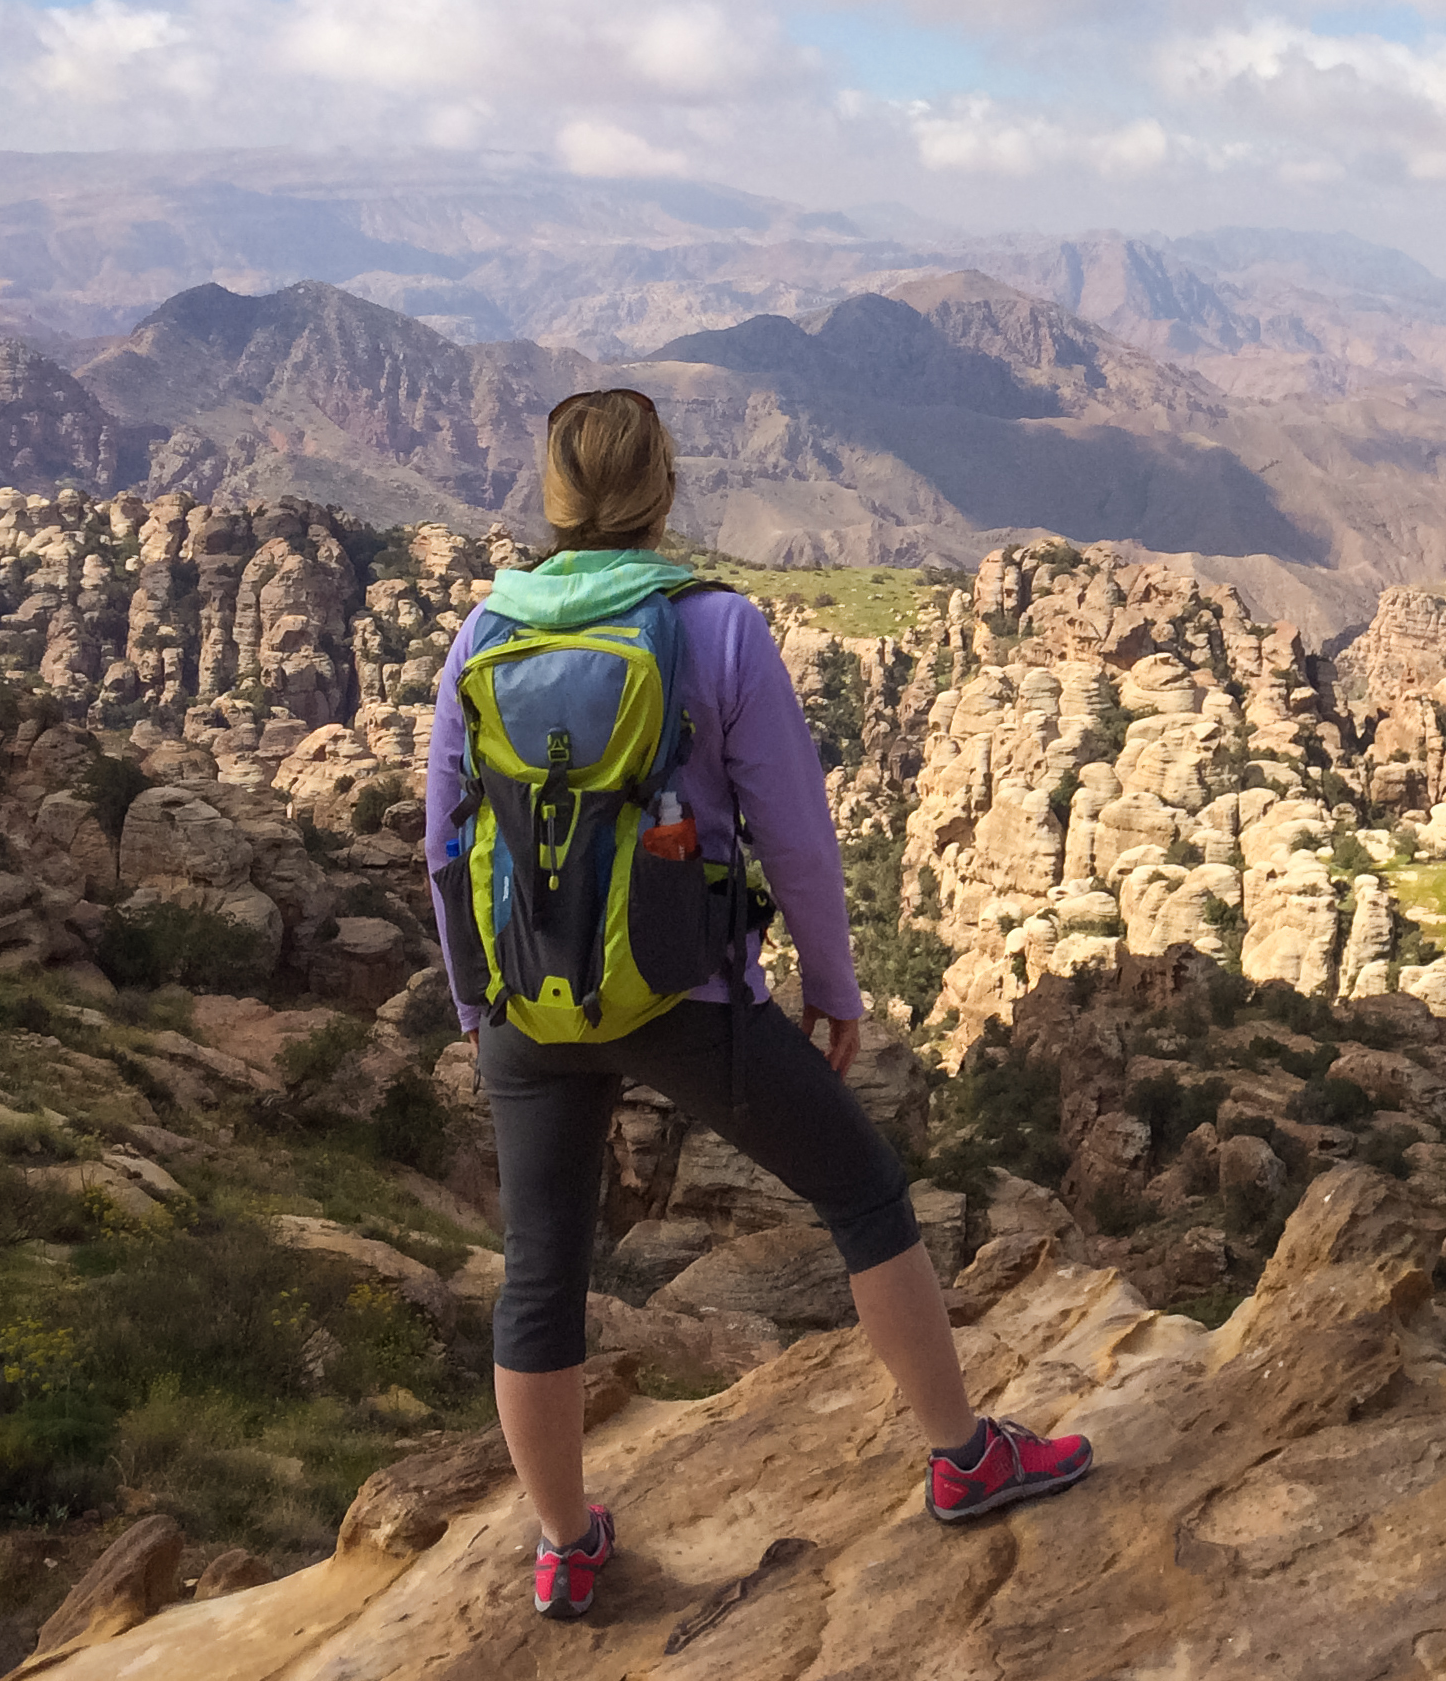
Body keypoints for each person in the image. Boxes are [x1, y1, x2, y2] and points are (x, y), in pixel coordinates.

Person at [424, 388, 1092, 1622]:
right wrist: (831, 991)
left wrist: (479, 1004)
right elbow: (797, 837)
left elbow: (444, 842)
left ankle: (566, 1545)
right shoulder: (715, 628)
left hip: (526, 999)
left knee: (540, 1270)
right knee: (865, 1192)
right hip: (682, 989)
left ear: (555, 495)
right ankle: (962, 1456)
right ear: (663, 487)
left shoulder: (483, 632)